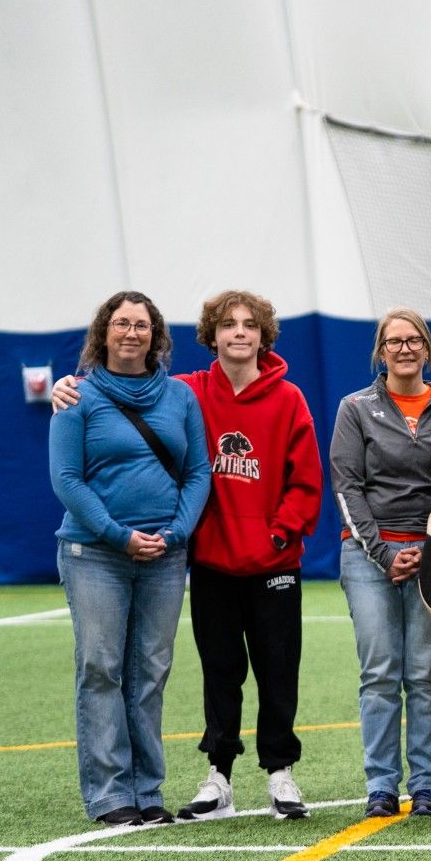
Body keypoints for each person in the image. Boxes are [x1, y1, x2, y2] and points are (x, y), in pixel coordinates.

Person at [47, 290, 322, 822]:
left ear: (263, 336)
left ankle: (269, 774)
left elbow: (296, 480)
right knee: (204, 672)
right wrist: (64, 384)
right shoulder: (184, 391)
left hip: (254, 563)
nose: (239, 333)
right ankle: (205, 779)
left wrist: (276, 537)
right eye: (227, 324)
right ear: (210, 335)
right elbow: (69, 472)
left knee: (266, 670)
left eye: (249, 325)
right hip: (196, 562)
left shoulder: (276, 398)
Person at [50, 292, 211, 826]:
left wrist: (177, 531)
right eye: (121, 323)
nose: (131, 333)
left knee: (150, 673)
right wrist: (120, 536)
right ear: (104, 332)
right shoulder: (76, 397)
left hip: (165, 555)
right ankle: (109, 795)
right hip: (94, 553)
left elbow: (198, 473)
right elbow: (67, 481)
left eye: (141, 325)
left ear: (156, 335)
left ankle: (148, 792)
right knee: (101, 669)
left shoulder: (180, 397)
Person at [331, 308, 431, 819]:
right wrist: (383, 553)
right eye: (393, 341)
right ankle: (381, 786)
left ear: (426, 348)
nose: (404, 349)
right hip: (367, 556)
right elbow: (346, 485)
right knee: (380, 672)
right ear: (380, 352)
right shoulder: (355, 408)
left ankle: (426, 785)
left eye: (413, 341)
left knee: (426, 674)